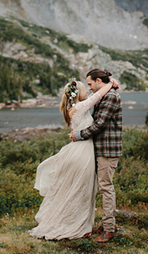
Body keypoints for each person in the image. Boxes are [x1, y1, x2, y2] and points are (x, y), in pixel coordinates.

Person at [29, 76, 118, 240]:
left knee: (76, 189)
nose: (89, 91)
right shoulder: (80, 107)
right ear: (78, 94)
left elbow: (95, 96)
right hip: (82, 153)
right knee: (82, 189)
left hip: (78, 151)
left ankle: (79, 223)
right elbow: (97, 96)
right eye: (86, 89)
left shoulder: (75, 107)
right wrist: (111, 83)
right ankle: (78, 226)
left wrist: (109, 80)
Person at [70, 68, 122, 243]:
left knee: (106, 187)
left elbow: (99, 124)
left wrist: (78, 135)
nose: (90, 88)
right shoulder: (105, 94)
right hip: (101, 149)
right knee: (102, 187)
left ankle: (109, 229)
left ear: (99, 81)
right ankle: (108, 224)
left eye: (91, 84)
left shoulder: (111, 97)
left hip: (108, 150)